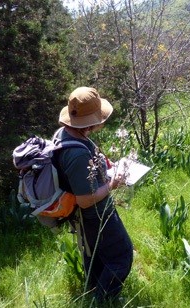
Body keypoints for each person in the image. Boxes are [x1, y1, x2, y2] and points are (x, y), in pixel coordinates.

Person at [54, 86, 133, 303]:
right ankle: (103, 299)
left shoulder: (66, 133)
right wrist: (113, 185)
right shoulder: (76, 155)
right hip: (95, 213)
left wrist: (109, 166)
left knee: (94, 253)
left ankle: (92, 292)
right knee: (121, 255)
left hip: (86, 217)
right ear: (89, 123)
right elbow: (85, 200)